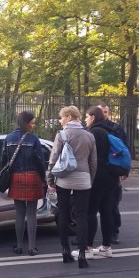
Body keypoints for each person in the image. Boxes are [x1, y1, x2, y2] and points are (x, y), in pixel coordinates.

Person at [46, 105, 96, 268]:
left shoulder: (62, 134)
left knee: (63, 213)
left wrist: (50, 179)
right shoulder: (89, 136)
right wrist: (90, 178)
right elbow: (93, 161)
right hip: (84, 179)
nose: (60, 121)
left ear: (68, 116)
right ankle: (82, 254)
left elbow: (53, 158)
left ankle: (65, 251)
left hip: (64, 179)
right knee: (82, 216)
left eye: (61, 117)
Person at [1, 111, 48, 256]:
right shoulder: (33, 139)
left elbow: (3, 161)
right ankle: (32, 247)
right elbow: (40, 161)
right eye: (32, 123)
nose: (33, 126)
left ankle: (19, 246)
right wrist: (43, 179)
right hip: (32, 176)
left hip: (16, 177)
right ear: (25, 123)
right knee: (32, 213)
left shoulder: (8, 138)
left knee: (19, 213)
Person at [80, 106, 119, 259]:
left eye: (87, 117)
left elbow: (89, 155)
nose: (85, 119)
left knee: (90, 211)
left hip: (97, 175)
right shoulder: (110, 130)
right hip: (111, 176)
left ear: (93, 117)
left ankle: (88, 248)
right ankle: (106, 247)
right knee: (106, 211)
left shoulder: (94, 133)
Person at [99, 101, 127, 244]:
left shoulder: (116, 129)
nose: (103, 114)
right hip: (96, 171)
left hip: (112, 171)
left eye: (105, 111)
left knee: (112, 204)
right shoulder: (88, 129)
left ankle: (114, 232)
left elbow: (125, 150)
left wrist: (124, 170)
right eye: (100, 112)